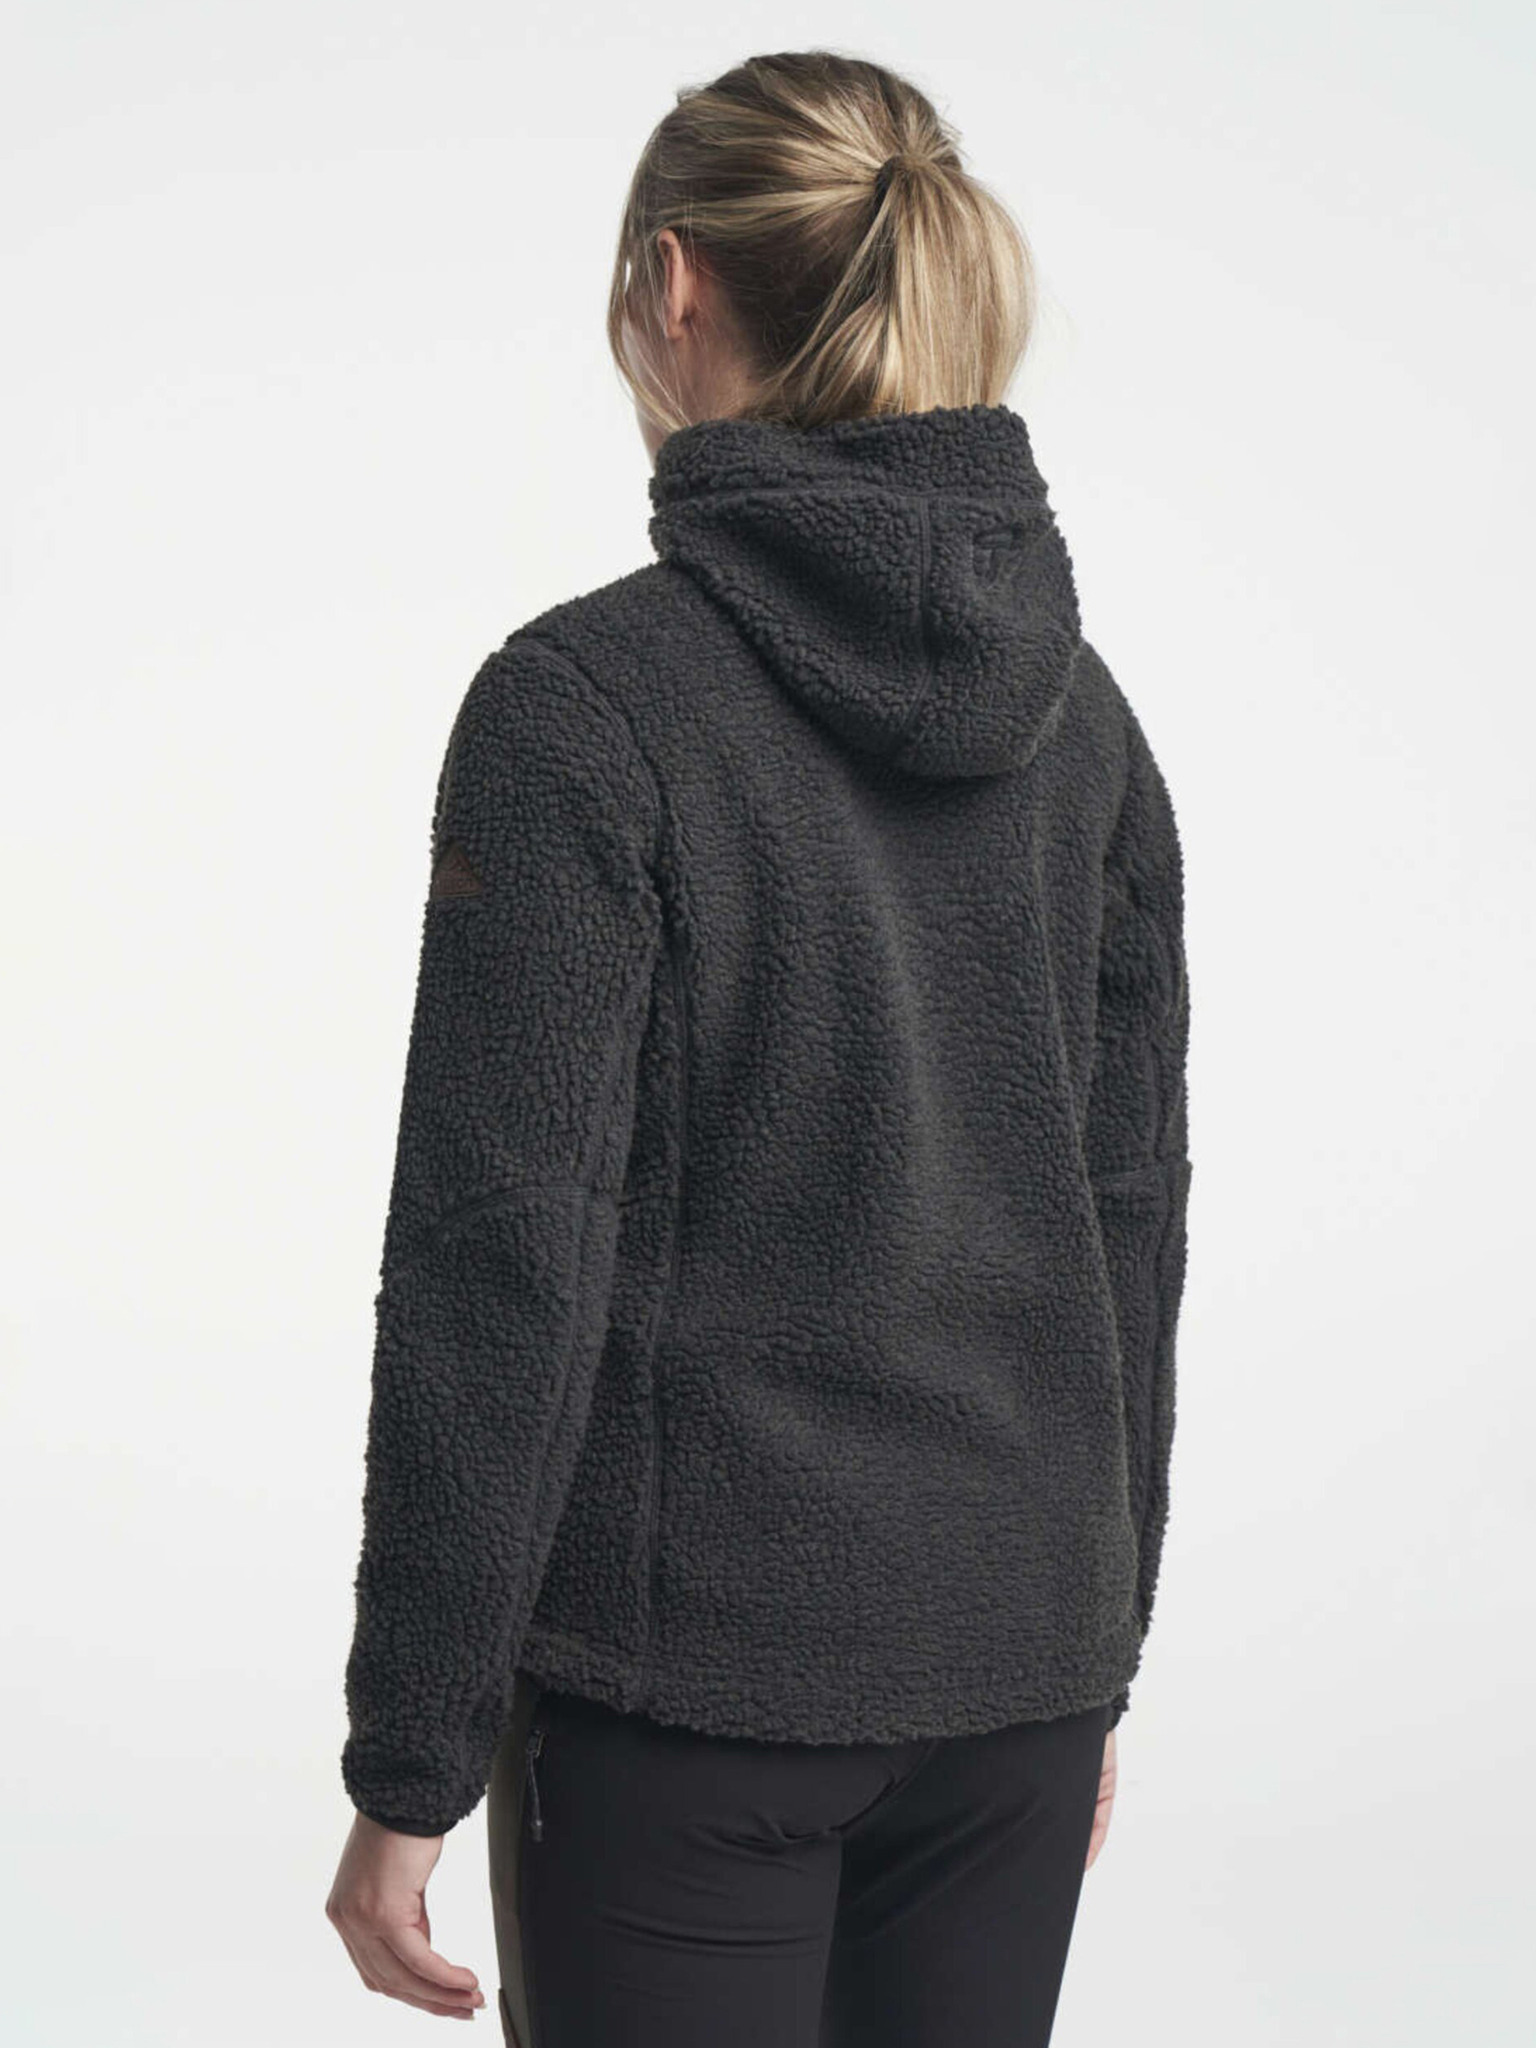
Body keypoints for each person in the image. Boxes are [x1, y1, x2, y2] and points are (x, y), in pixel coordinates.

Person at [325, 47, 1193, 2048]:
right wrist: (1091, 1659)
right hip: (1016, 1682)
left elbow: (500, 1258)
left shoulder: (580, 708)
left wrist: (410, 1760)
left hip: (683, 1701)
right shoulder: (1092, 726)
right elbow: (1131, 1226)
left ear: (675, 280)